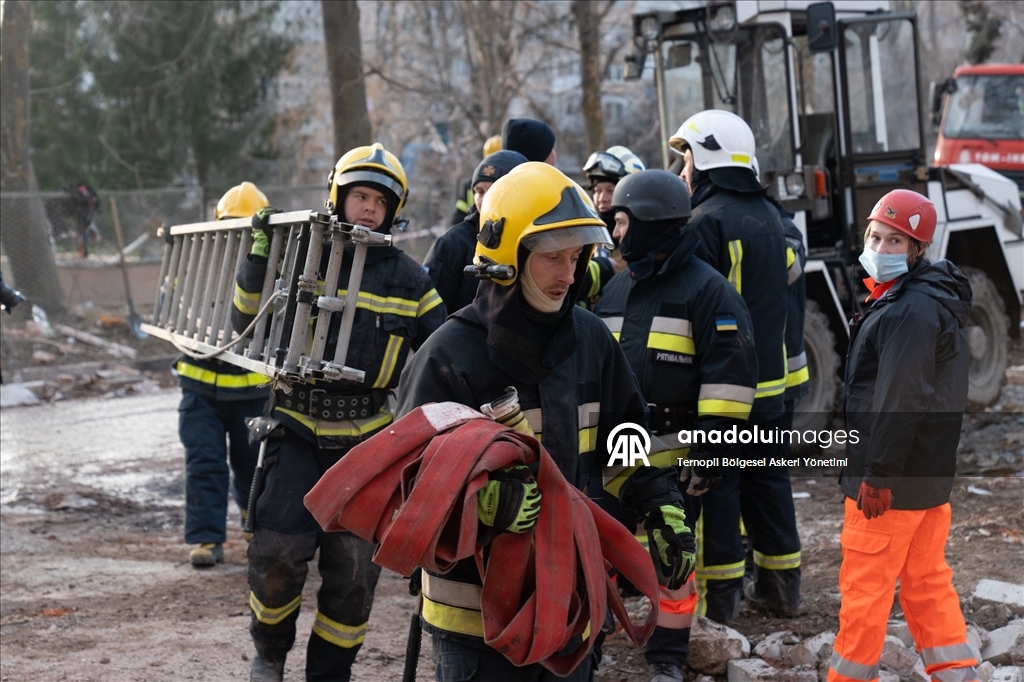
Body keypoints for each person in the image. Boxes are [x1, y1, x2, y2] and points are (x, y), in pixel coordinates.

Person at [397, 162, 696, 682]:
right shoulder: (448, 356)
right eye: (553, 257)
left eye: (576, 257)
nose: (569, 274)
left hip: (568, 605)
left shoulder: (591, 341)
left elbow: (625, 440)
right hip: (475, 625)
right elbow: (406, 488)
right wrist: (481, 506)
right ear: (507, 258)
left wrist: (661, 503)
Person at [231, 144, 447, 682]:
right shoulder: (300, 258)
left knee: (353, 575)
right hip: (294, 428)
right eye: (360, 196)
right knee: (277, 556)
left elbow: (444, 350)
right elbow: (244, 320)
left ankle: (330, 675)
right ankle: (270, 655)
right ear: (338, 198)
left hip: (368, 446)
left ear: (394, 211)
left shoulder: (412, 280)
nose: (369, 208)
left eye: (380, 201)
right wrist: (257, 258)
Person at [594, 170, 758, 682]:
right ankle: (591, 642)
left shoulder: (709, 292)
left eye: (623, 222)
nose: (616, 232)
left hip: (679, 458)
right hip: (616, 455)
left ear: (650, 222)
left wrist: (712, 452)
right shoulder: (616, 290)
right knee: (597, 549)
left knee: (673, 557)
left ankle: (666, 657)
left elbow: (730, 381)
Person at [828, 190, 978, 682]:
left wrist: (878, 476)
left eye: (895, 241)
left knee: (864, 591)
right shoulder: (924, 300)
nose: (880, 248)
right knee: (926, 582)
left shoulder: (908, 310)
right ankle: (957, 673)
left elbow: (899, 399)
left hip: (888, 484)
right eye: (875, 237)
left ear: (917, 250)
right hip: (925, 478)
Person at [668, 109, 800, 620]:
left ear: (708, 160)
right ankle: (782, 591)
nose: (683, 172)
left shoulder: (704, 223)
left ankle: (720, 606)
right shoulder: (772, 217)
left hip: (724, 392)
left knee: (717, 490)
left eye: (687, 160)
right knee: (770, 486)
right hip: (771, 389)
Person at [177, 182, 271, 568]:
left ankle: (255, 524)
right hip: (199, 386)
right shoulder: (195, 264)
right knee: (204, 461)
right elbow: (174, 309)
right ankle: (206, 538)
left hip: (250, 392)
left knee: (252, 464)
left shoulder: (271, 269)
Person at [424, 150, 528, 315]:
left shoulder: (537, 240)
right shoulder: (452, 244)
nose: (485, 199)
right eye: (479, 191)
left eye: (493, 190)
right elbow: (431, 313)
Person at [579, 145, 646, 305]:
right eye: (597, 190)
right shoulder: (584, 237)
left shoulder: (641, 245)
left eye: (611, 190)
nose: (602, 198)